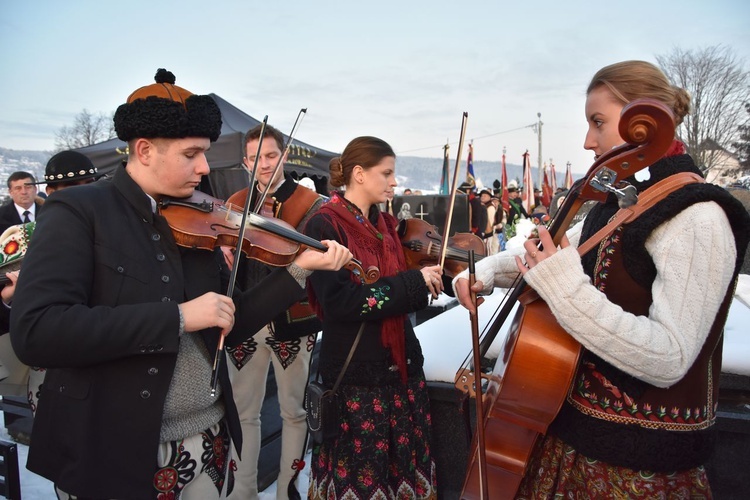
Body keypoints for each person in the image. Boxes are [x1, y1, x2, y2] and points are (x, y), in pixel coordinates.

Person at [10, 68, 352, 499]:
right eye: (192, 154)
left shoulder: (198, 218)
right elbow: (38, 331)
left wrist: (299, 268)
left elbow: (235, 317)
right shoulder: (79, 212)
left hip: (208, 445)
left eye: (204, 153)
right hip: (116, 451)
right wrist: (176, 317)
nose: (205, 166)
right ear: (145, 150)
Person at [454, 60, 750, 498]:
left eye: (598, 123)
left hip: (636, 469)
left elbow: (670, 358)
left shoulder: (698, 216)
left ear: (643, 126)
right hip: (568, 435)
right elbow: (561, 249)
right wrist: (488, 270)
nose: (588, 141)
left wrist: (562, 285)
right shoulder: (622, 201)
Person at [303, 136, 441, 499]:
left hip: (400, 369)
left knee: (401, 473)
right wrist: (413, 283)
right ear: (360, 174)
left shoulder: (386, 225)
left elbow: (399, 292)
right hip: (356, 377)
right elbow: (341, 303)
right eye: (388, 172)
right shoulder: (324, 226)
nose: (395, 181)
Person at [222, 124, 326, 499]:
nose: (264, 165)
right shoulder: (233, 204)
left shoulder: (312, 204)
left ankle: (288, 490)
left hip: (293, 320)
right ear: (245, 163)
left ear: (284, 156)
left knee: (293, 411)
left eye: (270, 156)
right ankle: (243, 491)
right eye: (255, 158)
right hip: (244, 319)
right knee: (243, 412)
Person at [479, 189, 498, 255]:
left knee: (488, 251)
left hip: (487, 233)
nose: (483, 197)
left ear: (490, 197)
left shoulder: (490, 207)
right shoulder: (483, 206)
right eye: (482, 196)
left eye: (485, 196)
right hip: (485, 233)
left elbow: (489, 221)